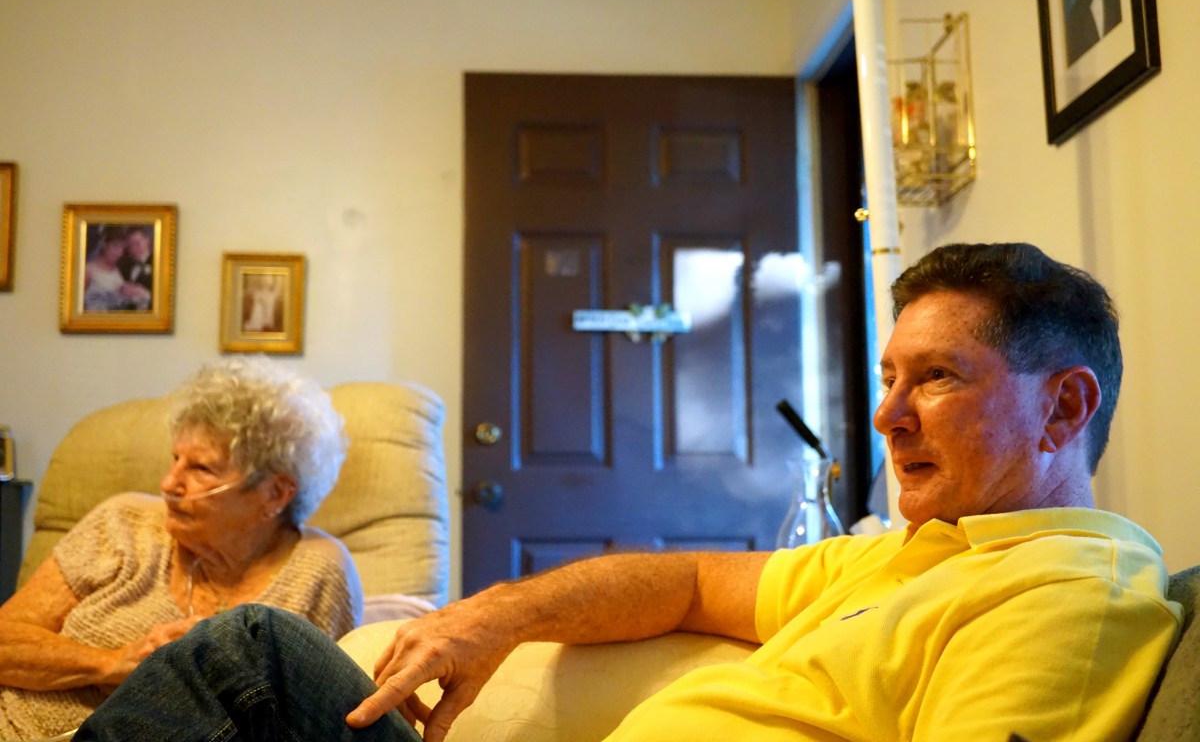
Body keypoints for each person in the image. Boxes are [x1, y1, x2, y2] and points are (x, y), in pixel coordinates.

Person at [74, 243, 1181, 742]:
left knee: (251, 656)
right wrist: (489, 616)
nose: (889, 414)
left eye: (936, 378)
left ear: (1063, 407)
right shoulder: (900, 552)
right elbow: (690, 580)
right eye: (889, 378)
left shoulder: (1065, 595)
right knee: (254, 658)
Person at [0, 356, 362, 741]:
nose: (169, 483)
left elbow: (316, 722)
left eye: (201, 469)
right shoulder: (122, 523)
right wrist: (110, 664)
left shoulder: (318, 573)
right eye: (175, 459)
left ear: (274, 493)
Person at [82, 226, 148, 312]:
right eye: (115, 246)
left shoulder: (120, 270)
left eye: (123, 249)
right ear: (105, 244)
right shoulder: (88, 270)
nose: (119, 253)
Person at [116, 226, 154, 298]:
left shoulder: (159, 263)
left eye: (137, 243)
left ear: (147, 240)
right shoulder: (125, 265)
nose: (133, 248)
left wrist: (146, 295)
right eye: (130, 245)